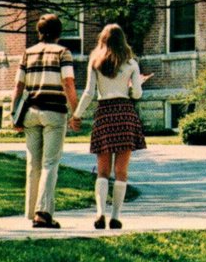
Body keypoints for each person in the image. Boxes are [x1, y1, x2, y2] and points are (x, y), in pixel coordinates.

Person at [70, 24, 150, 230]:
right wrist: (133, 86)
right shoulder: (131, 63)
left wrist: (77, 114)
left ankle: (99, 213)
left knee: (103, 170)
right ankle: (115, 216)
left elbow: (88, 92)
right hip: (124, 113)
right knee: (121, 171)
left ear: (102, 40)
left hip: (105, 113)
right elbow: (138, 95)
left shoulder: (95, 61)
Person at [11, 14, 79, 229]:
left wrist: (14, 115)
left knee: (33, 163)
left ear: (39, 32)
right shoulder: (63, 53)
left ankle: (31, 212)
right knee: (50, 163)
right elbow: (68, 83)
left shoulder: (27, 53)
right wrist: (75, 112)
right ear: (59, 32)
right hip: (54, 112)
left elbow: (18, 86)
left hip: (30, 111)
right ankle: (44, 213)